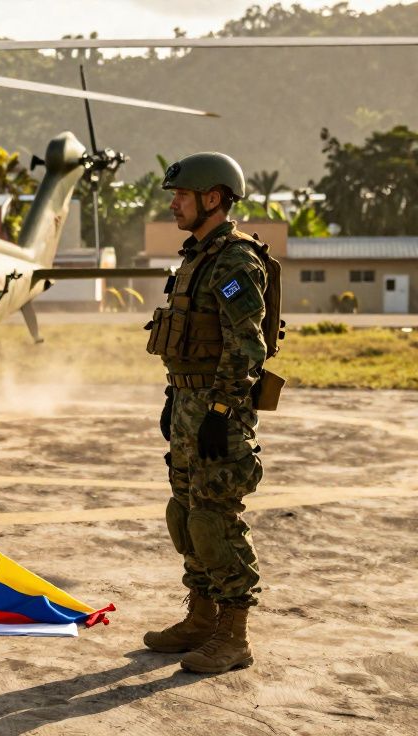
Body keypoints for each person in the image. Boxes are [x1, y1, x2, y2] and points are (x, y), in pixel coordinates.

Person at [144, 151, 275, 674]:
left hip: (218, 412)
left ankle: (234, 636)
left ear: (213, 198)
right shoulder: (196, 257)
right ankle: (200, 618)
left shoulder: (233, 263)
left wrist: (220, 411)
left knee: (214, 519)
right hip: (188, 405)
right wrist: (178, 399)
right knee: (185, 515)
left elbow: (247, 346)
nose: (173, 204)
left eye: (181, 195)